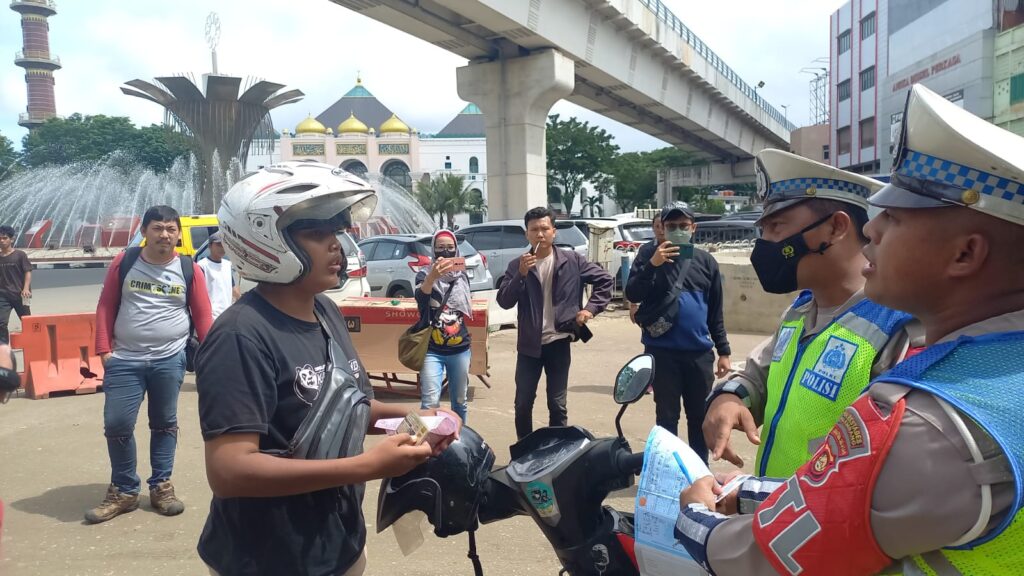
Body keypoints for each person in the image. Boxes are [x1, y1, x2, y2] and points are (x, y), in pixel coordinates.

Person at [676, 83, 1024, 575]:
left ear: (966, 253)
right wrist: (733, 402)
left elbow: (788, 546)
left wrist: (692, 514)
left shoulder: (940, 418)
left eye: (897, 218)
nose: (874, 231)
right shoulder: (989, 362)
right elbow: (862, 495)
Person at [195, 161, 460, 576]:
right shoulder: (241, 336)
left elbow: (348, 407)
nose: (336, 245)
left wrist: (420, 416)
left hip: (337, 542)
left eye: (336, 232)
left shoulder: (326, 312)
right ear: (265, 240)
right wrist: (368, 467)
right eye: (317, 233)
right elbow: (230, 470)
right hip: (266, 558)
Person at [702, 149, 920, 477]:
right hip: (775, 520)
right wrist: (731, 397)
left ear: (835, 228)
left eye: (776, 226)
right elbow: (759, 374)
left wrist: (748, 497)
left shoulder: (897, 330)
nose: (765, 244)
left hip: (820, 524)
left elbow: (881, 478)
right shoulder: (800, 311)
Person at [86, 205, 213, 524]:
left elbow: (202, 315)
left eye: (171, 229)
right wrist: (104, 349)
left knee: (164, 423)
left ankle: (161, 487)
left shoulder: (188, 268)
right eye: (157, 228)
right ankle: (125, 490)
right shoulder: (125, 262)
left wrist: (211, 355)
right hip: (125, 360)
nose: (165, 235)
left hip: (169, 359)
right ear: (144, 232)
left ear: (178, 234)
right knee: (116, 424)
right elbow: (106, 305)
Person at [625, 202, 731, 462]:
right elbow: (633, 293)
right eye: (671, 226)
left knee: (699, 417)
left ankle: (699, 472)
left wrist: (724, 351)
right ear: (662, 228)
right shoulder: (649, 256)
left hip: (699, 354)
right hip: (662, 353)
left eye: (683, 226)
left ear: (693, 228)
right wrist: (653, 265)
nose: (678, 230)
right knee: (666, 417)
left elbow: (715, 310)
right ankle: (666, 470)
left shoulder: (706, 262)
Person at [497, 206, 614, 439]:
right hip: (529, 346)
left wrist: (589, 310)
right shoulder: (517, 265)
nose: (540, 234)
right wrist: (520, 273)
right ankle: (524, 453)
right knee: (522, 404)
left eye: (544, 229)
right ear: (526, 234)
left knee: (557, 405)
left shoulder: (571, 261)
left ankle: (558, 454)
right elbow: (504, 301)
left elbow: (605, 280)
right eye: (534, 230)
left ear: (554, 232)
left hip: (559, 343)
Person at [415, 229, 472, 422]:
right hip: (431, 349)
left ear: (456, 250)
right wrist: (432, 276)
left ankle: (461, 441)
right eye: (440, 248)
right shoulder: (423, 274)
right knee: (429, 403)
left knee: (460, 401)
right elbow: (421, 299)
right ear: (433, 250)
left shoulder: (462, 276)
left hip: (460, 349)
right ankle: (427, 448)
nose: (445, 252)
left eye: (450, 248)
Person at [197, 231, 240, 321]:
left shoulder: (227, 265)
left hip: (227, 314)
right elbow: (198, 294)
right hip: (211, 317)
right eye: (218, 244)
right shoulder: (202, 266)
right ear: (209, 246)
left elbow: (233, 289)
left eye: (224, 244)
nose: (222, 248)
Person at [629, 213, 663, 325]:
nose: (660, 230)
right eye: (657, 226)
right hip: (651, 305)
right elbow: (634, 279)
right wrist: (633, 305)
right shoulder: (646, 250)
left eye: (663, 226)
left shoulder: (679, 249)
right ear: (653, 228)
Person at [0, 225, 32, 344]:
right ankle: (3, 346)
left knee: (26, 320)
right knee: (1, 322)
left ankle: (31, 342)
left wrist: (26, 288)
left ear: (12, 239)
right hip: (3, 295)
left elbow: (27, 271)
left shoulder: (20, 255)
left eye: (5, 238)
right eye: (0, 239)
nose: (2, 241)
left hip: (20, 294)